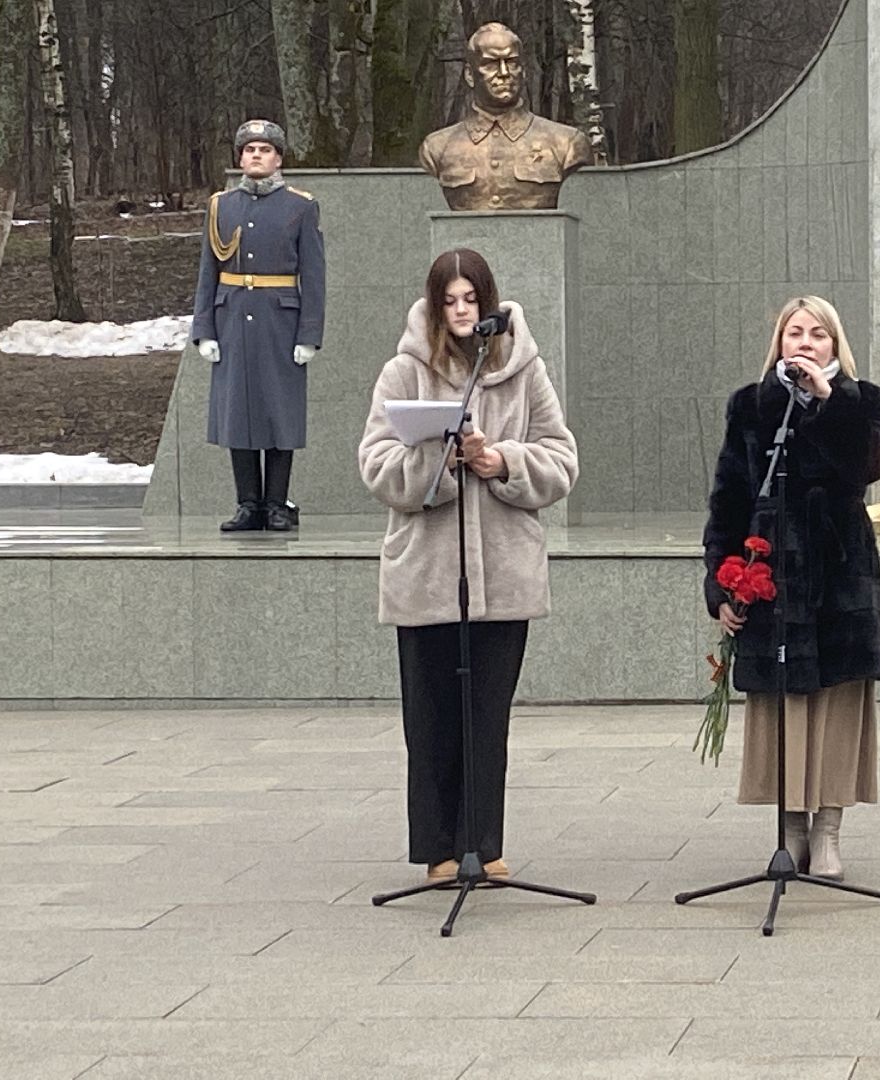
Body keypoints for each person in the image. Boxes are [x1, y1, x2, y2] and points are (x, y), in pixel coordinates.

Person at [358, 249, 578, 884]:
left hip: (503, 573)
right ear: (433, 306)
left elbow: (562, 458)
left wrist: (500, 461)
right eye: (449, 302)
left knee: (488, 713)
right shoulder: (403, 372)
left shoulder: (523, 370)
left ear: (489, 303)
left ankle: (483, 839)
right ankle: (438, 848)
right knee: (431, 717)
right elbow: (374, 464)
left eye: (471, 301)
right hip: (427, 574)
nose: (461, 313)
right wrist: (440, 463)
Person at [703, 295, 880, 881]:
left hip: (838, 579)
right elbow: (729, 498)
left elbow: (868, 467)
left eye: (818, 334)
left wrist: (830, 403)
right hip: (772, 581)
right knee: (783, 705)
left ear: (835, 346)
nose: (805, 343)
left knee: (835, 704)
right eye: (794, 334)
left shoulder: (863, 403)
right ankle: (790, 832)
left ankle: (828, 831)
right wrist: (722, 581)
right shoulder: (753, 407)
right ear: (778, 344)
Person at [191, 119, 326, 533]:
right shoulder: (222, 206)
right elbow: (207, 271)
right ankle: (248, 504)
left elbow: (314, 275)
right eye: (249, 149)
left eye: (264, 150)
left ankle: (277, 505)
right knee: (238, 414)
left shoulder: (300, 207)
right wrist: (204, 329)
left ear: (278, 158)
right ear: (240, 157)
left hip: (279, 322)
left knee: (279, 413)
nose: (256, 156)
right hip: (232, 320)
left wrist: (309, 334)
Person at [418, 22, 593, 211]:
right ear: (470, 75)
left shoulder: (567, 144)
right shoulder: (436, 148)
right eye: (491, 64)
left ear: (523, 71)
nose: (504, 73)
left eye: (512, 63)